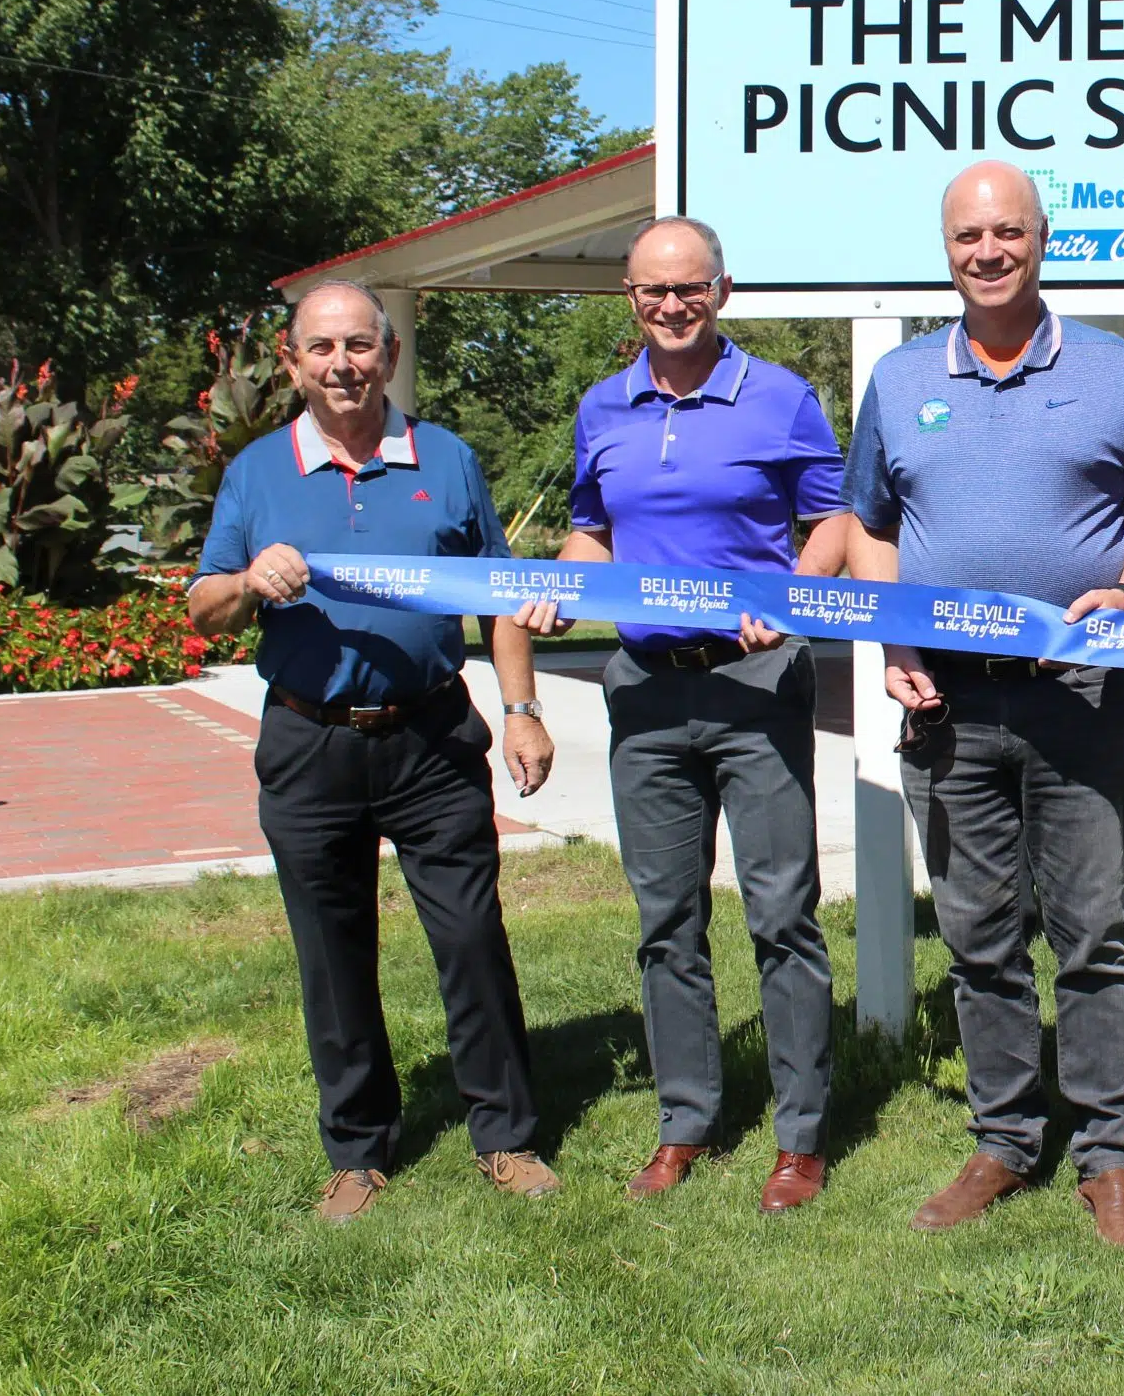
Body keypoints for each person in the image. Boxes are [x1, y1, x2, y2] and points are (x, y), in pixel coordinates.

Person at [844, 160, 1124, 1249]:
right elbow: (870, 527)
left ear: (1042, 241)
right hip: (948, 707)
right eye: (967, 236)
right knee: (977, 935)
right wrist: (893, 637)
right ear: (945, 249)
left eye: (1007, 232)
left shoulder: (1115, 371)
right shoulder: (901, 380)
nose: (987, 251)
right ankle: (1003, 1140)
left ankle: (1110, 1153)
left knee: (1092, 932)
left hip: (1078, 697)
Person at [190, 279, 560, 1223]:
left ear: (388, 356)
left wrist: (520, 709)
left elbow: (502, 593)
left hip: (433, 736)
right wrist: (247, 580)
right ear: (292, 362)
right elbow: (202, 605)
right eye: (322, 348)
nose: (342, 364)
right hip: (310, 741)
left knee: (472, 937)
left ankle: (506, 1134)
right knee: (331, 949)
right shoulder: (258, 472)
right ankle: (356, 1148)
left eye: (360, 345)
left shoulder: (446, 458)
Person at [513, 217, 855, 1212]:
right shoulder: (601, 409)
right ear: (630, 297)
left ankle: (801, 1137)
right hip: (647, 691)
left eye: (689, 289)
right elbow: (590, 533)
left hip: (755, 687)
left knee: (782, 913)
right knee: (667, 922)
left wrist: (789, 601)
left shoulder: (781, 398)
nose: (671, 306)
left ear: (722, 291)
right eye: (652, 292)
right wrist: (561, 590)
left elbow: (830, 520)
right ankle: (685, 1123)